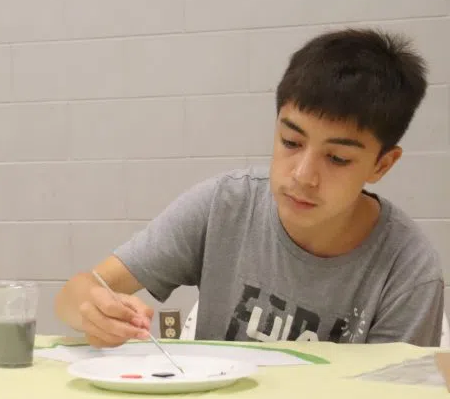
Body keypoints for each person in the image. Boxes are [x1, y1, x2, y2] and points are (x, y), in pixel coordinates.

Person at [56, 28, 445, 347]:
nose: (302, 175)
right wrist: (94, 310)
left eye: (337, 159)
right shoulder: (226, 205)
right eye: (291, 143)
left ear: (382, 164)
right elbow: (79, 290)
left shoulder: (407, 270)